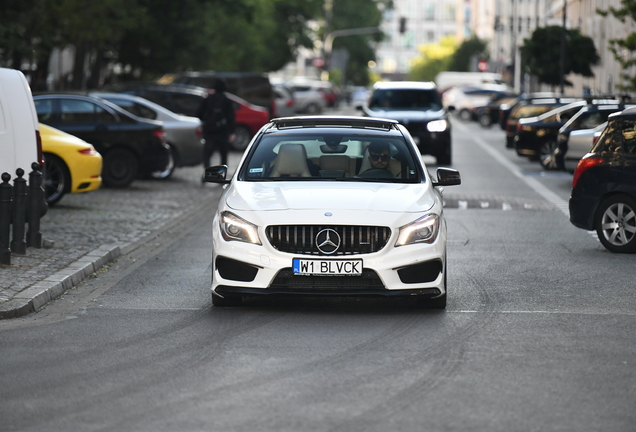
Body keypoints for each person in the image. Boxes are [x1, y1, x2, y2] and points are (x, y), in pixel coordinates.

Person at [196, 79, 236, 169]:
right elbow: (231, 117)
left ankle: (207, 173)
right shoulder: (227, 101)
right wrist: (232, 131)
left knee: (207, 154)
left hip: (209, 131)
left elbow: (199, 113)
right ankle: (221, 176)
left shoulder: (208, 99)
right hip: (223, 131)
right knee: (223, 156)